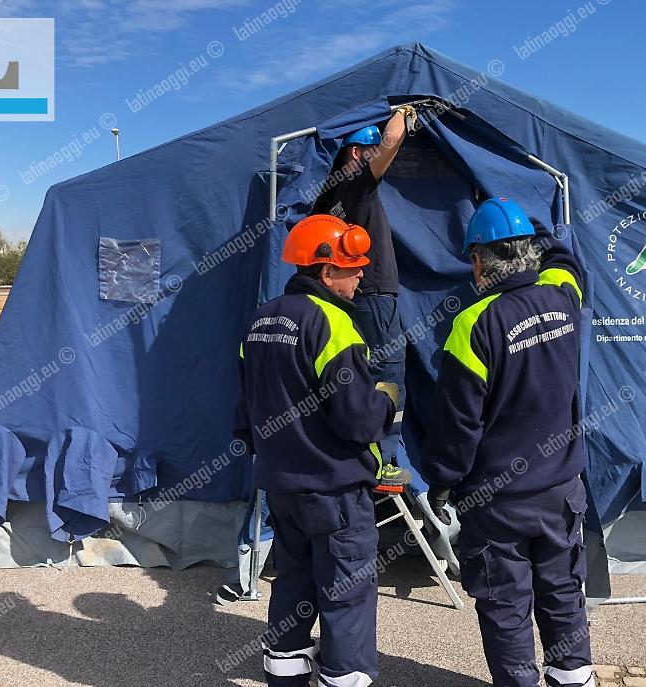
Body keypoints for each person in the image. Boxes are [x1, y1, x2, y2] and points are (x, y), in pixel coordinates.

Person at [422, 198, 592, 687]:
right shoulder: (563, 295)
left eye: (474, 258)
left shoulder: (473, 324)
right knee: (563, 590)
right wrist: (533, 225)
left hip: (497, 501)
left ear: (480, 260)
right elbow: (565, 260)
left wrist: (442, 481)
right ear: (528, 250)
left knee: (505, 604)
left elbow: (458, 423)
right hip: (561, 490)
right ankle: (574, 678)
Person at [233, 214, 400, 687]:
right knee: (346, 594)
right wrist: (386, 399)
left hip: (282, 486)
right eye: (353, 267)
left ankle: (285, 675)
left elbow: (245, 407)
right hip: (335, 489)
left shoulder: (260, 320)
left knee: (293, 583)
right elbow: (356, 420)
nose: (361, 275)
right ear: (327, 271)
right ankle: (345, 677)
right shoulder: (334, 324)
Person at [312, 105, 416, 478]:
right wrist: (402, 114)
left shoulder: (328, 198)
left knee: (360, 371)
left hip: (354, 293)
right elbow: (391, 139)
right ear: (356, 153)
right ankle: (382, 461)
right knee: (388, 373)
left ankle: (358, 452)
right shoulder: (357, 180)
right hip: (374, 291)